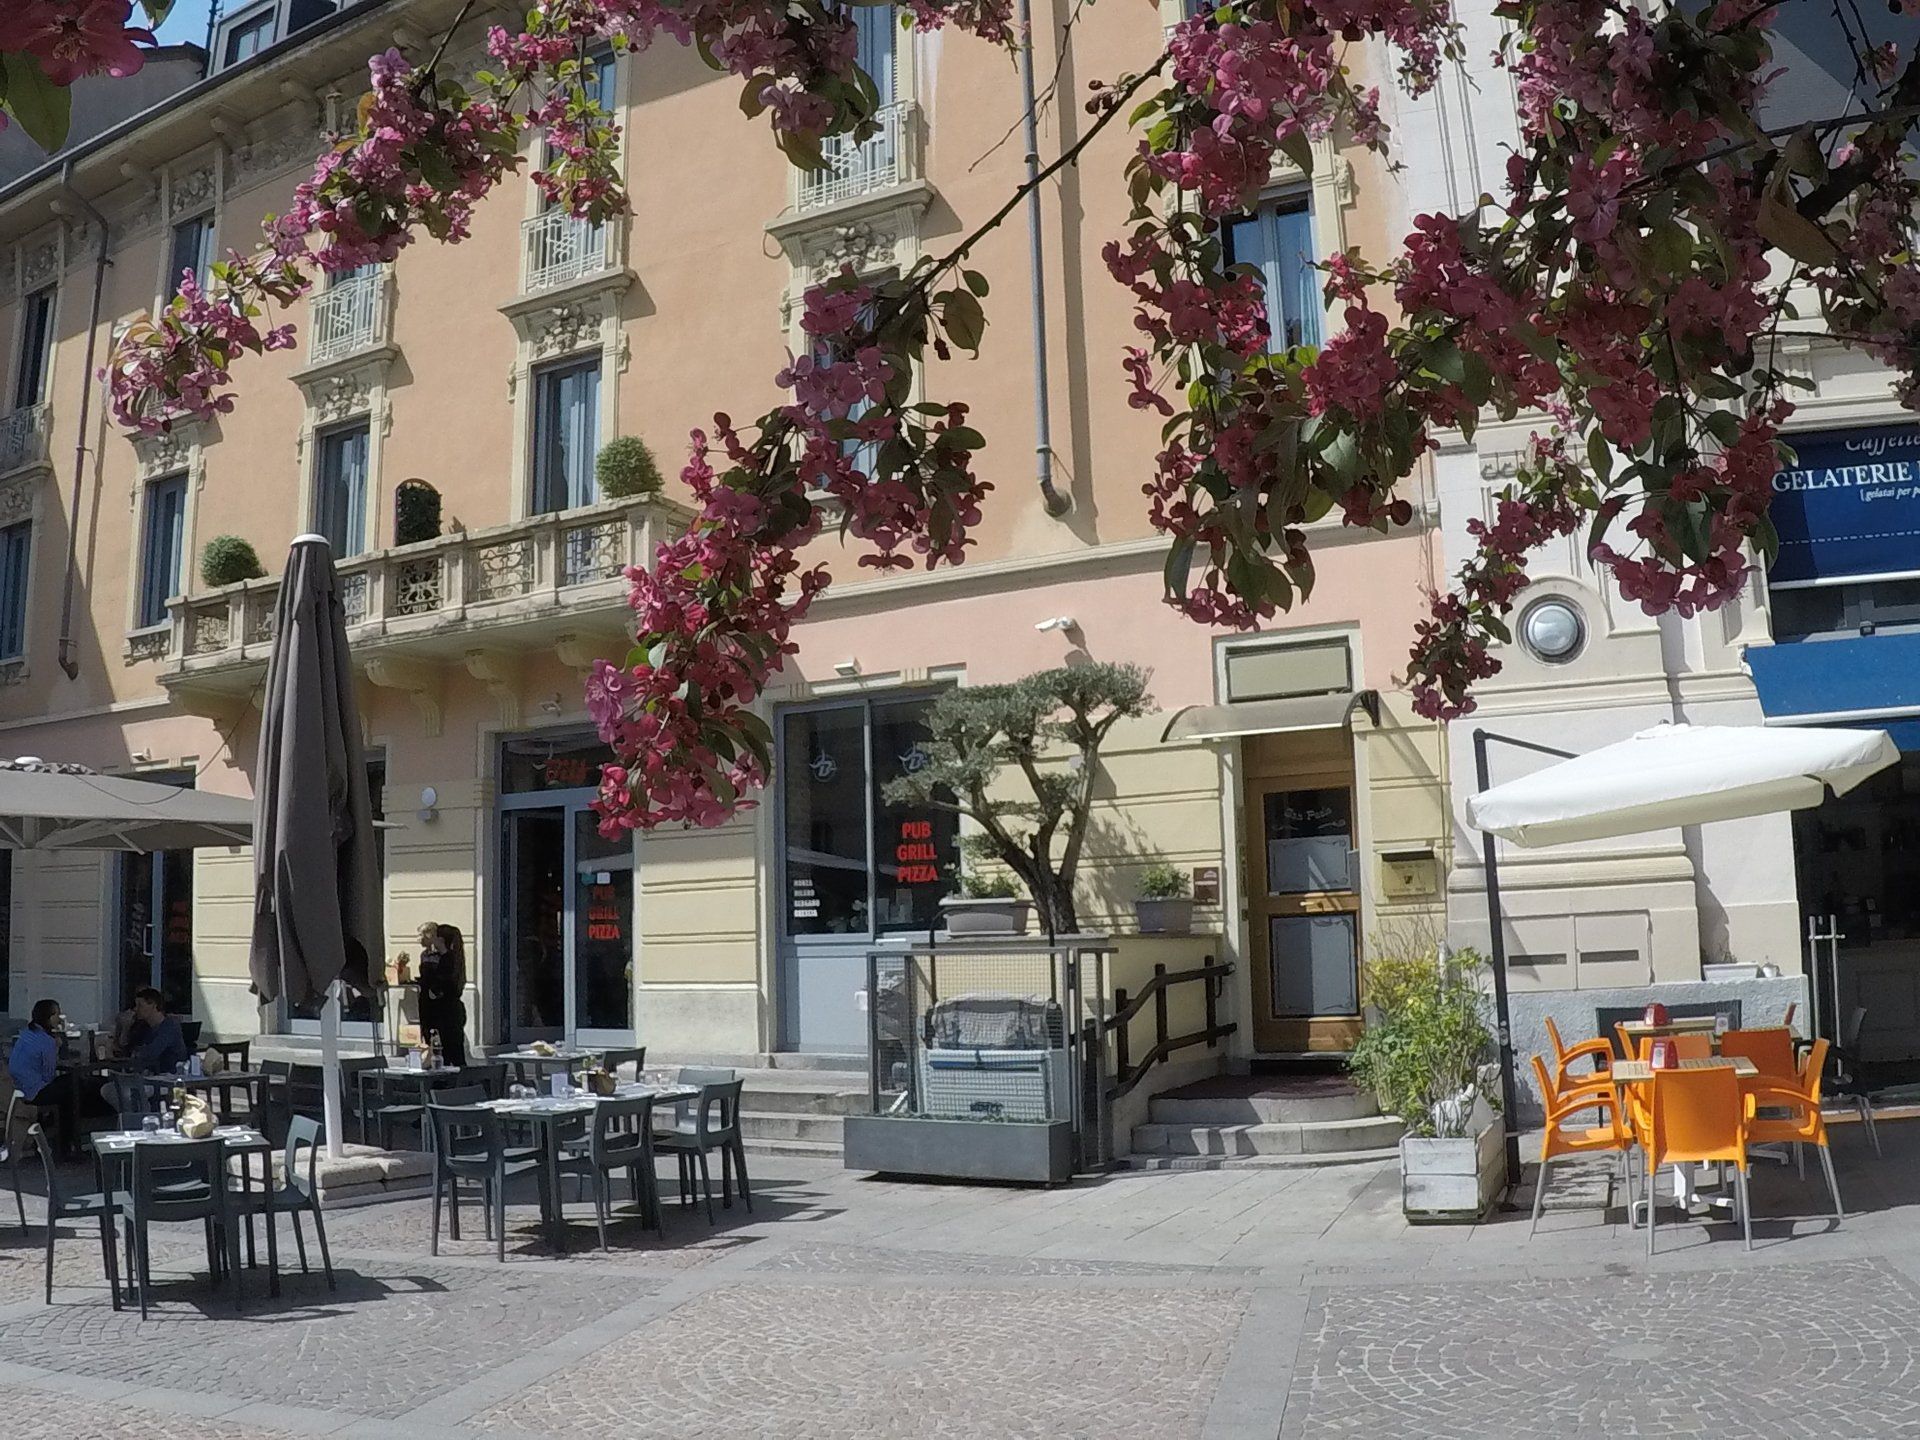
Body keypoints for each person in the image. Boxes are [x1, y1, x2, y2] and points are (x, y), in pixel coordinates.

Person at [8, 999, 79, 1154]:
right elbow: (48, 1076)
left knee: (69, 1084)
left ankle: (53, 1134)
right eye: (57, 1014)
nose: (59, 1018)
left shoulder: (26, 1034)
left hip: (17, 1087)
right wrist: (57, 1049)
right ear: (49, 1017)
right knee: (72, 1091)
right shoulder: (46, 1041)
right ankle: (66, 1144)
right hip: (34, 1091)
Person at [416, 923, 469, 1068]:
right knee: (450, 1053)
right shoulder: (449, 957)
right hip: (442, 1011)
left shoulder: (447, 958)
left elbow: (443, 983)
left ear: (441, 940)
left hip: (442, 1012)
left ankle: (449, 1080)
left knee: (445, 1053)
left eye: (436, 936)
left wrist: (432, 990)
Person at [120, 987, 188, 1075]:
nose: (136, 1009)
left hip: (170, 1075)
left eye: (140, 1005)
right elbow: (127, 1049)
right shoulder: (143, 1027)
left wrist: (137, 1053)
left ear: (153, 1005)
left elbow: (151, 1052)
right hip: (149, 1074)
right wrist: (125, 1027)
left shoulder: (169, 1026)